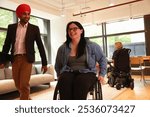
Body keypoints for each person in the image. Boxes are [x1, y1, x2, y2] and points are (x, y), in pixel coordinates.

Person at [0, 4, 47, 100]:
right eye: (24, 14)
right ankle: (27, 99)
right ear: (18, 15)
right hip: (14, 59)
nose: (27, 16)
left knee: (24, 84)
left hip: (27, 59)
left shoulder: (34, 28)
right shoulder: (11, 27)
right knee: (17, 83)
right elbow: (6, 45)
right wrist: (2, 61)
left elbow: (40, 46)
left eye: (28, 14)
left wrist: (44, 63)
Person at [55, 21, 107, 100]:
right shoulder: (63, 48)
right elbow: (58, 64)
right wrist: (59, 75)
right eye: (69, 29)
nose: (72, 31)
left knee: (80, 81)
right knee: (63, 80)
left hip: (87, 72)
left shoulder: (92, 45)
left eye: (75, 29)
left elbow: (102, 59)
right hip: (69, 72)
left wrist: (102, 74)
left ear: (81, 31)